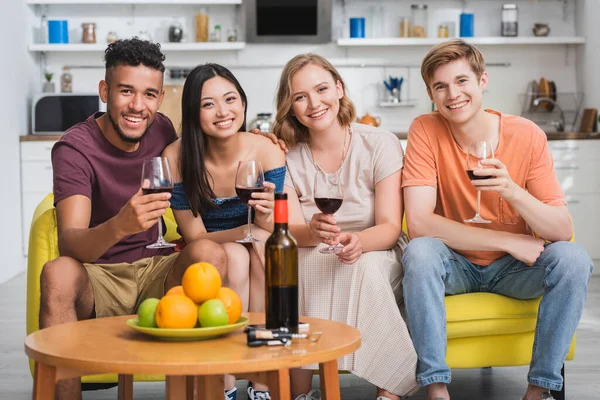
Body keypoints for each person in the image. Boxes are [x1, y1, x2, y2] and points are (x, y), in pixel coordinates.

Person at [401, 39, 594, 400]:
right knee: (421, 252)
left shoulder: (526, 135)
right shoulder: (425, 129)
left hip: (515, 271)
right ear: (430, 93)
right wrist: (507, 240)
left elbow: (561, 230)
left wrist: (512, 191)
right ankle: (436, 388)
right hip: (455, 265)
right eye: (440, 86)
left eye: (461, 81)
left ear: (482, 81)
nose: (452, 94)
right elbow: (420, 224)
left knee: (574, 258)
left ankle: (539, 390)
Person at [40, 39, 228, 400]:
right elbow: (71, 242)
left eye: (149, 94)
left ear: (160, 97)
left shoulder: (162, 129)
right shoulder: (74, 148)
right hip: (99, 276)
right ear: (105, 91)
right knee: (57, 273)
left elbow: (217, 149)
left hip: (156, 270)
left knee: (210, 255)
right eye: (126, 91)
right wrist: (121, 225)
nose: (138, 106)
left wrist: (263, 141)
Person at [273, 53, 418, 400]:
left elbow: (388, 226)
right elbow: (291, 230)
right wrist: (313, 231)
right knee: (292, 267)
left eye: (322, 89)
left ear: (339, 89)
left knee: (363, 268)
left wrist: (358, 242)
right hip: (312, 249)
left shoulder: (379, 143)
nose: (314, 103)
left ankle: (391, 390)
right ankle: (301, 394)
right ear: (290, 106)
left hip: (376, 248)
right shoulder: (285, 156)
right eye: (300, 96)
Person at [162, 63, 286, 400]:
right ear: (193, 113)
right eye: (208, 104)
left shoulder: (265, 150)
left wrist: (261, 220)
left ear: (243, 104)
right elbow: (195, 237)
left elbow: (270, 225)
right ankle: (226, 379)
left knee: (262, 246)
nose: (222, 111)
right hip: (206, 250)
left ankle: (261, 380)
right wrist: (245, 231)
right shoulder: (176, 157)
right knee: (233, 254)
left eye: (230, 99)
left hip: (255, 241)